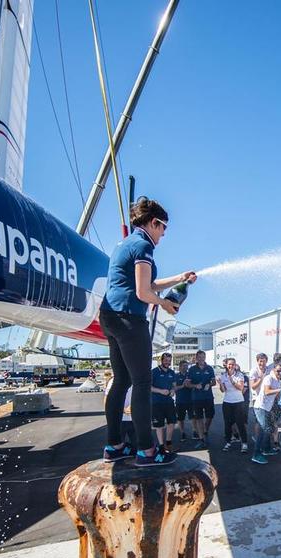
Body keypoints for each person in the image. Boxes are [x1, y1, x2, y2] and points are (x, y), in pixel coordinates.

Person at [99, 196, 196, 467]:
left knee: (121, 382)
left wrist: (179, 279)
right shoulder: (144, 246)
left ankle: (114, 445)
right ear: (154, 222)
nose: (163, 234)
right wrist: (165, 303)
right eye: (163, 228)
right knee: (141, 383)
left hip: (110, 316)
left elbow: (147, 283)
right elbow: (144, 292)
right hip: (130, 318)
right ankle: (146, 451)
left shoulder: (127, 243)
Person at [251, 361, 281, 464]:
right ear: (273, 370)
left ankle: (266, 449)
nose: (280, 373)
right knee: (263, 429)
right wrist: (280, 389)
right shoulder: (268, 378)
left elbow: (277, 396)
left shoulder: (278, 381)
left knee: (268, 429)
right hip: (260, 407)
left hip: (267, 408)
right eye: (278, 371)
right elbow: (267, 391)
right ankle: (256, 454)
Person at [218, 357, 249, 453]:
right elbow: (223, 390)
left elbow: (240, 388)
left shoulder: (240, 375)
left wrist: (232, 381)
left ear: (235, 365)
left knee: (240, 423)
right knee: (227, 424)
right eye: (229, 364)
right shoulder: (223, 375)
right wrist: (220, 384)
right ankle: (228, 441)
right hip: (227, 402)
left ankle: (244, 443)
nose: (231, 366)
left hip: (238, 402)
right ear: (226, 365)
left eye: (233, 364)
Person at [187, 350, 216, 449]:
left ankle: (205, 431)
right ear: (196, 358)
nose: (201, 359)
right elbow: (187, 384)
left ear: (205, 357)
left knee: (210, 416)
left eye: (203, 357)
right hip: (196, 398)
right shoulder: (192, 369)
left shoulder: (209, 368)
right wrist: (195, 385)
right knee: (199, 418)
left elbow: (214, 381)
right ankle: (201, 438)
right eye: (199, 357)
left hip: (208, 397)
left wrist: (210, 384)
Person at [150, 353, 178, 452]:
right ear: (161, 360)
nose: (168, 362)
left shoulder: (172, 372)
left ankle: (168, 442)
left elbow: (174, 385)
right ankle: (161, 446)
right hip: (157, 403)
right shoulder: (154, 372)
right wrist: (160, 391)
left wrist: (173, 390)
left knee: (172, 423)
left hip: (169, 402)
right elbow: (149, 387)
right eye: (166, 360)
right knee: (159, 425)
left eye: (169, 361)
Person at [249, 352, 269, 444]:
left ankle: (265, 440)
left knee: (267, 420)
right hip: (256, 398)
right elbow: (252, 386)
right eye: (260, 361)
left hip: (267, 398)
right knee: (258, 420)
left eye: (264, 361)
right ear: (257, 361)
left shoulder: (269, 370)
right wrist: (261, 379)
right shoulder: (254, 371)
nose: (262, 363)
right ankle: (257, 439)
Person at [173, 359, 193, 441]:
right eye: (184, 366)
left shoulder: (190, 375)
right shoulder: (176, 376)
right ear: (180, 367)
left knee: (194, 417)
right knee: (180, 419)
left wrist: (190, 385)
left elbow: (193, 385)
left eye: (186, 366)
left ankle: (195, 431)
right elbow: (174, 388)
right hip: (180, 401)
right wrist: (183, 385)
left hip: (191, 400)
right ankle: (182, 433)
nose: (186, 367)